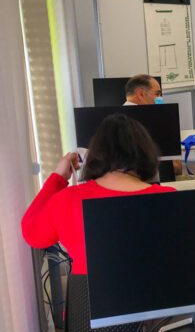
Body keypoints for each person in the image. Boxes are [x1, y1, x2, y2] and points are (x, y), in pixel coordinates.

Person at [22, 114, 175, 275]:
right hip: (161, 290)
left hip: (90, 292)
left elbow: (33, 235)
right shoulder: (170, 199)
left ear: (95, 154)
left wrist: (58, 178)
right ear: (146, 153)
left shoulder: (68, 200)